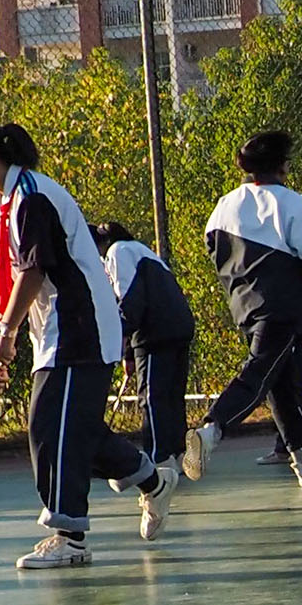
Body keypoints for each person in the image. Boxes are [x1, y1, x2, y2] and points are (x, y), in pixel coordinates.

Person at [0, 112, 165, 569]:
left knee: (48, 428)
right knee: (75, 431)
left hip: (81, 326)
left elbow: (34, 270)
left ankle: (70, 537)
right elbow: (13, 282)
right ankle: (152, 480)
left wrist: (7, 334)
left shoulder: (32, 197)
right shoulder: (4, 207)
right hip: (55, 332)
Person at [191, 129, 302, 484]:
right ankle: (212, 428)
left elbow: (211, 245)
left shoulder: (224, 205)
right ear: (282, 166)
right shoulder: (292, 203)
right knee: (261, 372)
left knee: (283, 380)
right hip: (285, 308)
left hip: (244, 305)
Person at [90, 219, 199, 523]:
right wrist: (127, 352)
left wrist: (118, 336)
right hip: (178, 326)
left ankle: (157, 460)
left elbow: (128, 299)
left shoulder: (118, 253)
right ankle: (176, 454)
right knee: (171, 394)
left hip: (155, 333)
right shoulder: (142, 250)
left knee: (151, 397)